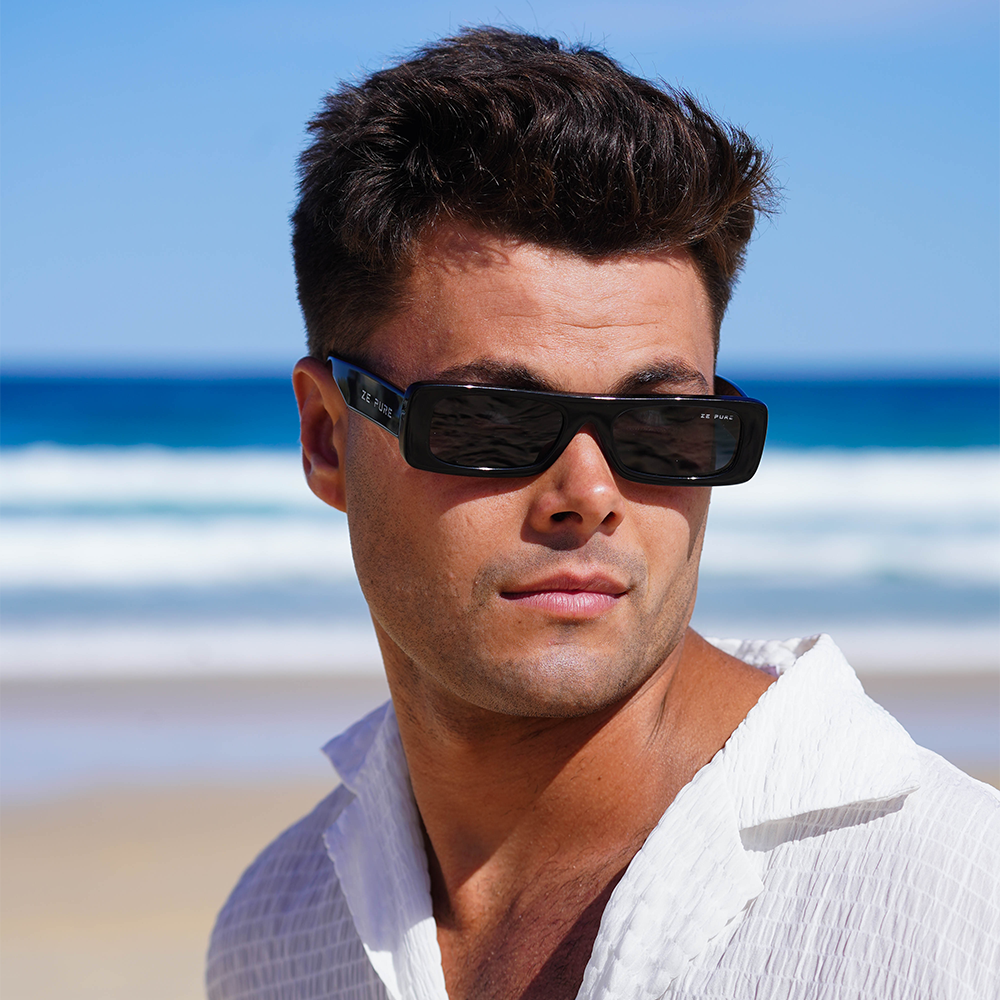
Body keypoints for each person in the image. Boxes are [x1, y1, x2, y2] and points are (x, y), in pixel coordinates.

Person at [206, 27, 1000, 1000]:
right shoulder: (279, 933)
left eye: (664, 425)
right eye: (493, 418)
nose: (589, 495)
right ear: (328, 437)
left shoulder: (958, 904)